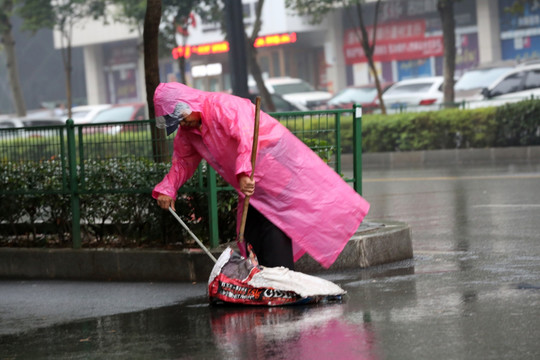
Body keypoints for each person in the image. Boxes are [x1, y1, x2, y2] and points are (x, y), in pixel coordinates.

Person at [152, 82, 370, 270]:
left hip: (272, 171)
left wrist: (245, 172)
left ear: (188, 103)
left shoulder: (222, 106)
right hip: (248, 181)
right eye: (176, 121)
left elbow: (246, 137)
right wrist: (167, 188)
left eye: (181, 117)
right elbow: (182, 162)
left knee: (273, 224)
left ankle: (280, 279)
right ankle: (265, 278)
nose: (182, 124)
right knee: (251, 232)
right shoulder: (189, 133)